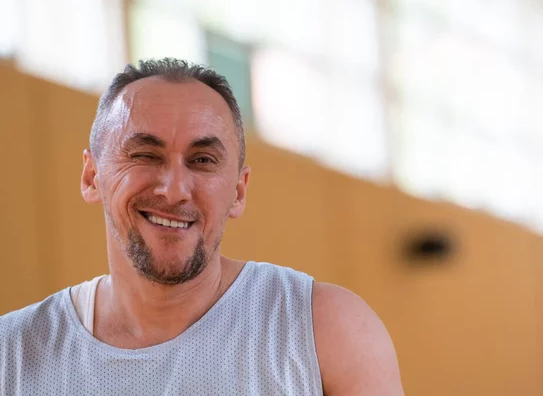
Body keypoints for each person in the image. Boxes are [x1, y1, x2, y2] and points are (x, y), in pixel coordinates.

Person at [0, 58, 404, 395]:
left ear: (239, 192)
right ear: (92, 177)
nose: (174, 190)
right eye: (144, 154)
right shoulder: (12, 354)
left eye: (203, 160)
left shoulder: (326, 330)